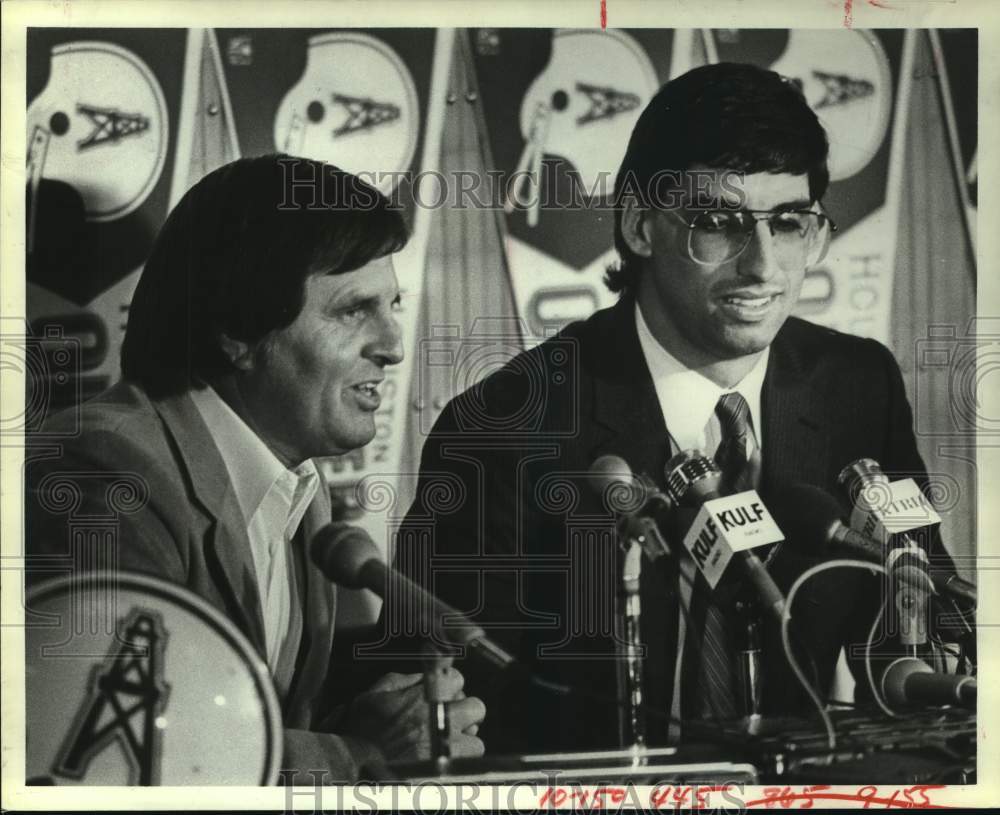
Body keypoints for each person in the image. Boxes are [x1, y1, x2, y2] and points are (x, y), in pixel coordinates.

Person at [389, 63, 968, 755]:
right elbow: (451, 714)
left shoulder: (855, 385)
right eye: (720, 223)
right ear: (640, 224)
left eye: (789, 222)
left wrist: (929, 670)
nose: (762, 264)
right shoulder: (503, 430)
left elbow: (903, 624)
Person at [25, 155, 485, 782]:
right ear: (236, 330)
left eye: (392, 305)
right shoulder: (103, 477)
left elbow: (244, 722)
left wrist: (377, 723)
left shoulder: (301, 492)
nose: (393, 343)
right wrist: (359, 752)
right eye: (353, 310)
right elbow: (121, 754)